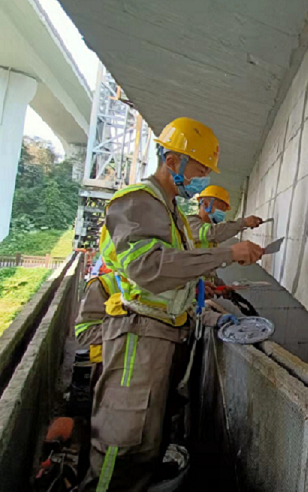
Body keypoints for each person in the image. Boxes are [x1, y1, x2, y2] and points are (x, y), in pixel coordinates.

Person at [81, 117, 264, 492]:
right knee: (123, 438)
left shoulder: (172, 212)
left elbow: (180, 265)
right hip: (138, 337)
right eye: (199, 169)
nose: (199, 179)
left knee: (149, 438)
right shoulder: (136, 202)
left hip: (163, 334)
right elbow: (150, 268)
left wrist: (204, 287)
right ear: (172, 160)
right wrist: (227, 254)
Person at [188, 185, 262, 315]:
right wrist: (243, 223)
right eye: (220, 208)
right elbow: (213, 233)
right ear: (205, 203)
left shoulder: (209, 235)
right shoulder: (191, 224)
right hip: (188, 293)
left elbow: (209, 267)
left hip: (201, 292)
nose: (222, 213)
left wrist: (221, 286)